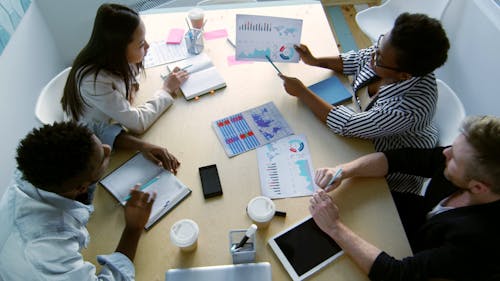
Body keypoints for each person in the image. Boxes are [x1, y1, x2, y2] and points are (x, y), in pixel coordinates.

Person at [309, 115, 500, 281]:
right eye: (453, 146)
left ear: (478, 187)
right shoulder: (462, 170)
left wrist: (335, 228)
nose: (445, 152)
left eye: (454, 158)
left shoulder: (479, 241)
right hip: (414, 227)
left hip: (414, 257)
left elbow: (398, 274)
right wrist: (342, 171)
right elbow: (398, 159)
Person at [280, 13, 450, 194]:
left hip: (391, 166)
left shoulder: (408, 109)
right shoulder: (388, 56)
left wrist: (302, 92)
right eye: (379, 45)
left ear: (404, 75)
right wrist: (315, 61)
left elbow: (348, 125)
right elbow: (357, 60)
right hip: (367, 132)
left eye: (379, 58)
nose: (372, 55)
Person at [0, 121, 181, 280]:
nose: (107, 148)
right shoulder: (45, 249)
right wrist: (133, 229)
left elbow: (95, 128)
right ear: (81, 188)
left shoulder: (36, 167)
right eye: (102, 158)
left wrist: (142, 145)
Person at [61, 3, 189, 134]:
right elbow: (138, 123)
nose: (147, 46)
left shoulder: (113, 57)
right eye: (140, 44)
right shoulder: (93, 81)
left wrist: (131, 89)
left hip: (113, 122)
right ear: (119, 50)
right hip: (96, 139)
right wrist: (166, 90)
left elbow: (133, 74)